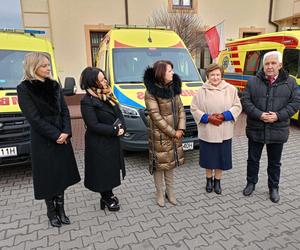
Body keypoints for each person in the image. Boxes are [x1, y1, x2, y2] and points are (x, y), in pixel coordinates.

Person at [17, 52, 81, 227]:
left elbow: (65, 111)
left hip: (62, 137)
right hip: (44, 141)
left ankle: (61, 209)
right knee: (48, 177)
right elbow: (34, 118)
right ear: (33, 67)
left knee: (61, 175)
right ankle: (51, 211)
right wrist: (55, 135)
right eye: (44, 65)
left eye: (48, 65)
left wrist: (66, 132)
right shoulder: (24, 88)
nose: (48, 68)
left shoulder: (54, 85)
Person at [241, 51, 300, 203]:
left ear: (280, 65)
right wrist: (259, 114)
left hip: (278, 129)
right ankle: (251, 183)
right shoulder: (253, 81)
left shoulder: (290, 82)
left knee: (275, 162)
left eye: (273, 63)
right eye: (267, 63)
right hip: (256, 128)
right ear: (263, 65)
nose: (270, 66)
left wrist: (278, 115)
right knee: (253, 159)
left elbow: (295, 103)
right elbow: (246, 102)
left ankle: (273, 188)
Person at [191, 63, 242, 194]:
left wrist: (224, 116)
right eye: (212, 75)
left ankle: (218, 181)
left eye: (218, 74)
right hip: (207, 131)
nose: (215, 77)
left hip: (224, 130)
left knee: (221, 158)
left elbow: (237, 106)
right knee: (208, 158)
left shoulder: (231, 89)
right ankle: (208, 180)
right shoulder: (201, 91)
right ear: (207, 76)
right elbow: (194, 108)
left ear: (222, 75)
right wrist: (207, 118)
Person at [80, 67, 126, 211]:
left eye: (104, 78)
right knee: (102, 171)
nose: (104, 81)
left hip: (111, 140)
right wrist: (114, 130)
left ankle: (109, 194)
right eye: (101, 79)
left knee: (111, 169)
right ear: (92, 82)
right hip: (98, 143)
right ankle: (106, 197)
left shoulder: (107, 95)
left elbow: (118, 112)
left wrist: (123, 127)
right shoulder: (87, 100)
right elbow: (93, 124)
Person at [144, 60, 185, 207]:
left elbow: (181, 109)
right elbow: (155, 116)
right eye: (169, 71)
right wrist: (173, 132)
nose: (173, 73)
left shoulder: (174, 87)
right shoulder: (151, 92)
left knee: (171, 163)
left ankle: (170, 192)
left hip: (174, 134)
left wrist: (181, 129)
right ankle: (159, 193)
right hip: (159, 136)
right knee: (159, 165)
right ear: (161, 73)